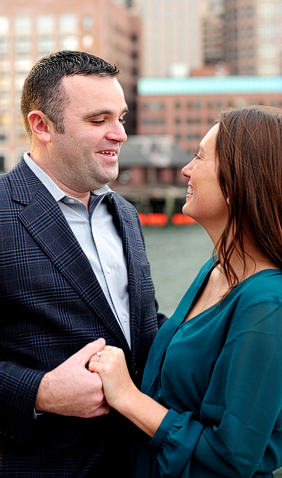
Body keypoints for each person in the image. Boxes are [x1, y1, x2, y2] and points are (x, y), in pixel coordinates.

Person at [0, 50, 164, 476]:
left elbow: (139, 325)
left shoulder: (127, 216)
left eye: (121, 118)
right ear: (41, 126)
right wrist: (40, 391)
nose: (119, 134)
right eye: (99, 121)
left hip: (136, 463)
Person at [89, 106, 282, 477]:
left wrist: (128, 398)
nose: (186, 169)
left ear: (238, 180)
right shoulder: (216, 268)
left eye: (199, 156)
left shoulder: (267, 304)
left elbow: (232, 457)